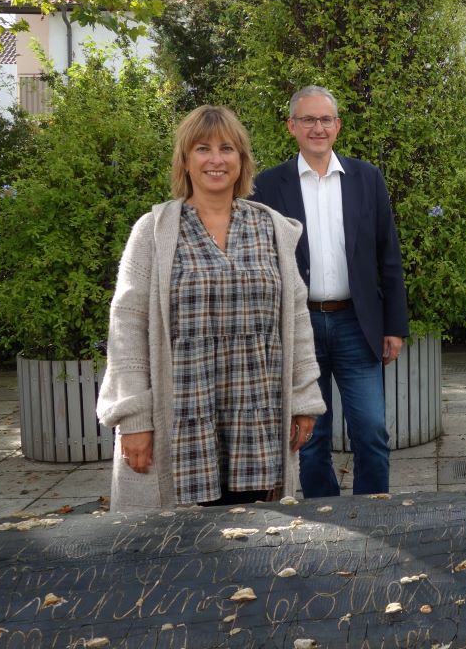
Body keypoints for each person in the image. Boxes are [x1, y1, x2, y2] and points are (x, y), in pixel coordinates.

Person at [96, 105, 326, 511]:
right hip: (184, 422)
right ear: (185, 160)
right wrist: (133, 418)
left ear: (242, 160)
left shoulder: (272, 228)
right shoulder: (153, 232)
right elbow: (127, 326)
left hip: (258, 420)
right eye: (203, 148)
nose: (216, 159)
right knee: (176, 549)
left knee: (256, 535)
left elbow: (296, 318)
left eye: (227, 148)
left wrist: (304, 398)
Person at [251, 85, 409, 498]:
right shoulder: (268, 186)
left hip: (356, 323)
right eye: (308, 119)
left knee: (372, 429)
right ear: (292, 127)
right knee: (310, 438)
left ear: (337, 126)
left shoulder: (366, 178)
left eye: (325, 119)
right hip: (300, 327)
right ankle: (326, 521)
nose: (317, 127)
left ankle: (375, 512)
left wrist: (394, 326)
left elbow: (387, 255)